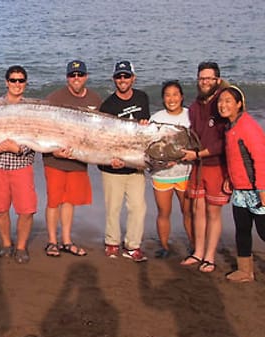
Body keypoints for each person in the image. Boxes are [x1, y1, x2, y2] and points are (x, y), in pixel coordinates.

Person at [43, 60, 101, 258]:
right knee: (54, 201)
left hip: (78, 160)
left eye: (80, 75)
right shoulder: (55, 97)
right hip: (55, 160)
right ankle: (52, 241)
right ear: (67, 77)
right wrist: (53, 151)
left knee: (70, 201)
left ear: (86, 76)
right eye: (72, 75)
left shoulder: (95, 98)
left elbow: (101, 132)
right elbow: (42, 127)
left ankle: (66, 240)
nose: (76, 79)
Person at [98, 61, 151, 262]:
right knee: (113, 208)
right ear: (114, 80)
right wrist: (111, 159)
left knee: (138, 207)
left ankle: (133, 246)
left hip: (135, 166)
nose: (122, 80)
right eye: (119, 77)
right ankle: (112, 243)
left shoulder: (142, 97)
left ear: (133, 78)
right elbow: (102, 137)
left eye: (126, 76)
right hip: (112, 166)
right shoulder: (108, 105)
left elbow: (143, 133)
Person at [0, 65, 36, 264]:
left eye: (21, 80)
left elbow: (38, 133)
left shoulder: (32, 108)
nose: (17, 84)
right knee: (0, 208)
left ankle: (21, 247)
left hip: (21, 163)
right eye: (13, 80)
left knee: (26, 209)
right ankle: (6, 243)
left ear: (25, 83)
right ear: (7, 82)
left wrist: (19, 149)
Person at [180, 61, 229, 273]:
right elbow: (193, 137)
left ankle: (210, 256)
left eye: (209, 78)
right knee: (197, 210)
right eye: (202, 78)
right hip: (197, 166)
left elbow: (223, 141)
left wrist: (198, 154)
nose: (205, 82)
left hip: (216, 165)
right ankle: (198, 252)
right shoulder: (194, 107)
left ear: (217, 80)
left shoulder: (223, 103)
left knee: (213, 212)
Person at [218, 86, 265, 283]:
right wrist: (230, 178)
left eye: (228, 100)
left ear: (239, 104)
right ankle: (245, 271)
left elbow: (261, 159)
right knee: (242, 231)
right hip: (240, 189)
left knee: (264, 231)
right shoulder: (230, 126)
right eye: (221, 101)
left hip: (256, 189)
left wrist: (262, 189)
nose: (223, 105)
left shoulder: (247, 126)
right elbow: (235, 158)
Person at [149, 80, 193, 258]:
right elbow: (149, 147)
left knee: (188, 212)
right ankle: (165, 246)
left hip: (185, 174)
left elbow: (197, 144)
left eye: (175, 94)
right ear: (163, 98)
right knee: (163, 212)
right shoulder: (156, 118)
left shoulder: (191, 116)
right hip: (162, 174)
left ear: (182, 97)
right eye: (167, 95)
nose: (172, 98)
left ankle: (194, 245)